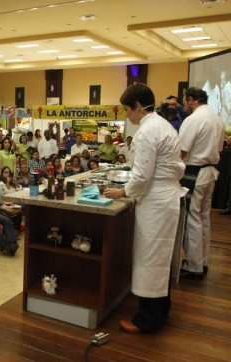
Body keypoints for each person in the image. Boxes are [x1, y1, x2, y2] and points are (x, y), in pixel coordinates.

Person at [104, 83, 185, 334]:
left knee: (150, 257)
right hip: (165, 196)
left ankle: (147, 319)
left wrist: (123, 191)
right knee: (160, 258)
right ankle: (160, 310)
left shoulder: (148, 131)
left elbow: (142, 175)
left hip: (157, 200)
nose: (127, 115)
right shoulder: (163, 125)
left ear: (138, 106)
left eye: (127, 109)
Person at [178, 87, 225, 280]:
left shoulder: (194, 119)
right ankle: (203, 261)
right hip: (211, 170)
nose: (183, 105)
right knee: (204, 218)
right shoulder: (217, 118)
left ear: (191, 100)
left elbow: (181, 151)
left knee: (191, 219)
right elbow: (220, 151)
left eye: (184, 101)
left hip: (195, 172)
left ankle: (193, 265)